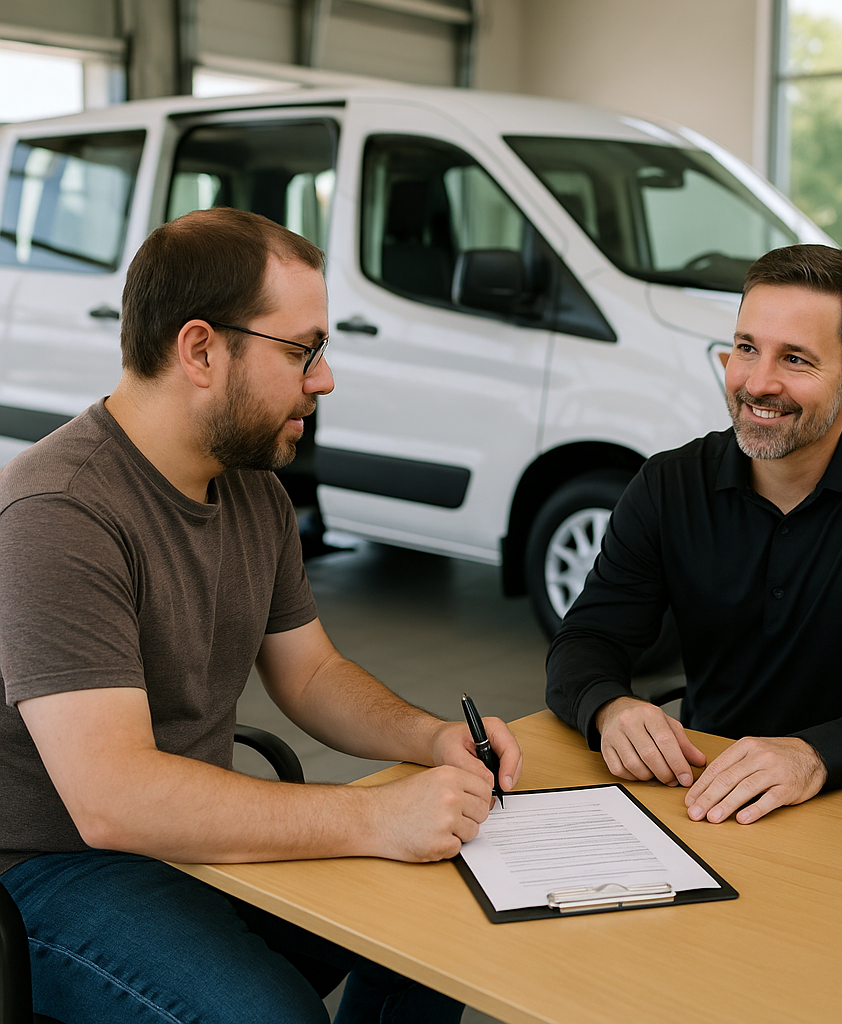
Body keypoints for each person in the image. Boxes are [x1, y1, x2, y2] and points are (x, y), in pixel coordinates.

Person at [0, 207, 522, 1024]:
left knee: (441, 922)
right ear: (201, 350)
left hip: (187, 838)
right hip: (50, 871)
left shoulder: (253, 490)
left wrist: (431, 739)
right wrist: (376, 816)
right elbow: (112, 798)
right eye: (301, 350)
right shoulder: (58, 512)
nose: (324, 379)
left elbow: (310, 674)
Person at [546, 243, 842, 827]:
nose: (758, 383)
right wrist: (610, 707)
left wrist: (815, 756)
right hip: (708, 796)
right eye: (746, 348)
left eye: (796, 359)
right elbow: (586, 639)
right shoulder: (668, 485)